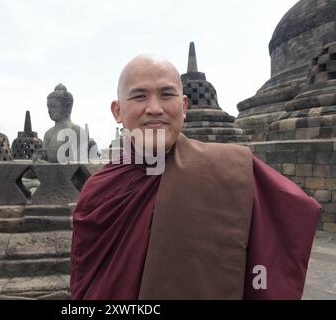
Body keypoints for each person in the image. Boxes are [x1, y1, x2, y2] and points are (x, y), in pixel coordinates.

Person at [70, 55, 321, 300]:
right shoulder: (99, 189)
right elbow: (87, 279)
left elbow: (291, 218)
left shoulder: (230, 170)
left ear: (184, 106)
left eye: (167, 95)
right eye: (139, 96)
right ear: (118, 111)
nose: (155, 108)